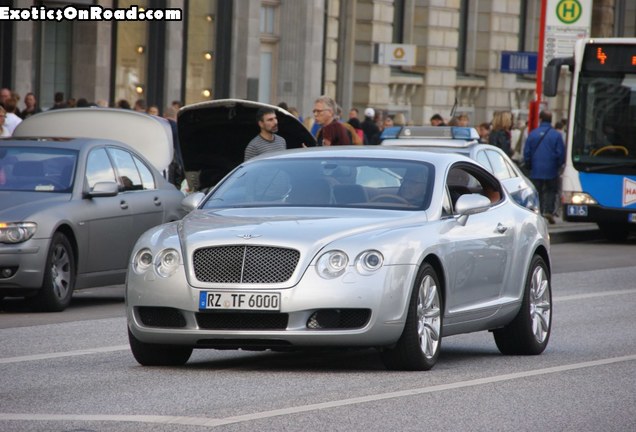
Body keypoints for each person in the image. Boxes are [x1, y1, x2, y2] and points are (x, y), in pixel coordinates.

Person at [523, 110, 565, 224]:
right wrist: (558, 165)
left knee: (537, 191)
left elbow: (527, 152)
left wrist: (529, 164)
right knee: (551, 190)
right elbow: (561, 153)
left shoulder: (533, 133)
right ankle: (549, 211)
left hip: (536, 169)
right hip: (551, 168)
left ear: (540, 119)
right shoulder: (556, 135)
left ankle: (538, 211)